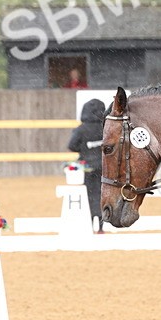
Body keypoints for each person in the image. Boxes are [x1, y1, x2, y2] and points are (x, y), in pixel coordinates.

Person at [68, 99, 106, 231]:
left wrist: (84, 149)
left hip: (87, 166)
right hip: (104, 166)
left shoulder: (81, 129)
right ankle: (101, 226)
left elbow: (72, 145)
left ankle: (89, 223)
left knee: (89, 194)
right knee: (102, 193)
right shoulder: (105, 128)